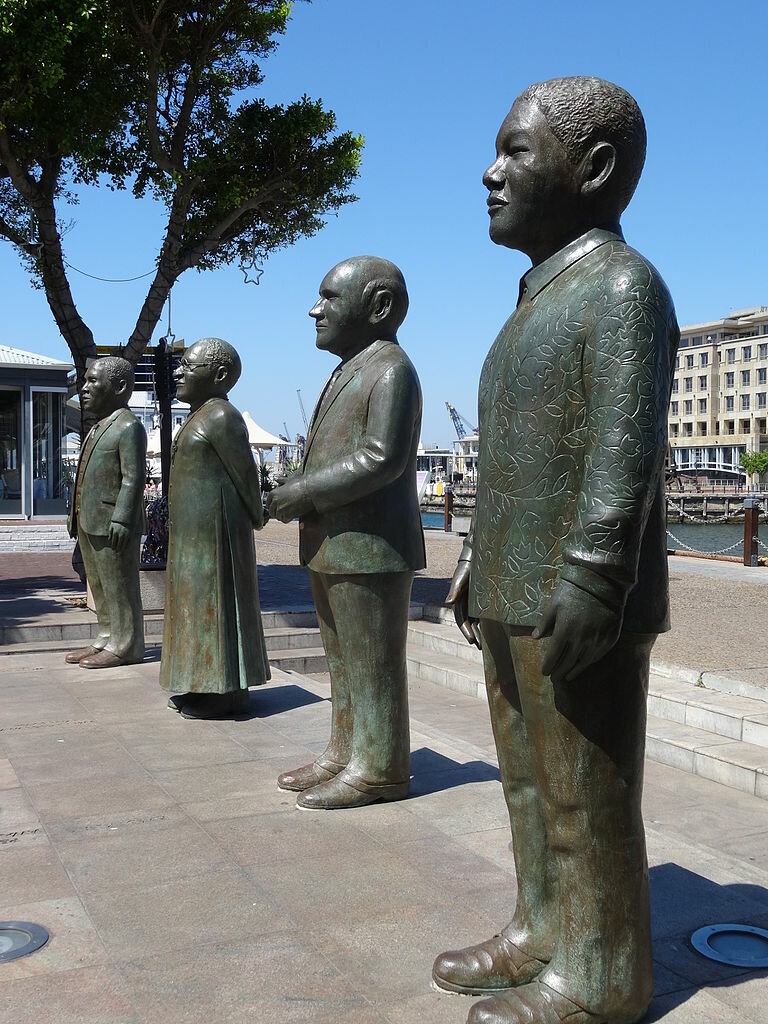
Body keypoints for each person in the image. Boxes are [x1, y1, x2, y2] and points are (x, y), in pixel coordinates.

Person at [432, 78, 679, 1024]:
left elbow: (626, 448)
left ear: (595, 170)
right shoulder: (536, 300)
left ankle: (605, 975)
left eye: (517, 151)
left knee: (585, 796)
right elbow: (515, 462)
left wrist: (593, 572)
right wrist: (472, 563)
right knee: (529, 788)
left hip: (576, 600)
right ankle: (544, 927)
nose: (491, 173)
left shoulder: (621, 288)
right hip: (510, 588)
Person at [268, 256, 425, 809]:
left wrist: (303, 492)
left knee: (372, 663)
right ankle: (346, 749)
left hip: (372, 547)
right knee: (343, 660)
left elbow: (382, 457)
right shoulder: (353, 367)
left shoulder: (392, 370)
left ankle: (380, 766)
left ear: (377, 306)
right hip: (336, 543)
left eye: (330, 297)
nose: (316, 309)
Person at [160, 338, 270, 718]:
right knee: (195, 607)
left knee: (217, 605)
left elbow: (245, 475)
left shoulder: (222, 416)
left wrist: (257, 514)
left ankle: (227, 690)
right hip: (193, 534)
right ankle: (202, 682)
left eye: (188, 367)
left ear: (219, 375)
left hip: (216, 534)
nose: (178, 372)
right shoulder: (199, 414)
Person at [65, 356, 146, 669]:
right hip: (91, 520)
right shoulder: (100, 425)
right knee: (99, 584)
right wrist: (74, 515)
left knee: (120, 586)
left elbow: (134, 476)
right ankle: (106, 635)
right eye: (84, 382)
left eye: (92, 382)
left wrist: (123, 517)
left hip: (114, 523)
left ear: (120, 387)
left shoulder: (128, 427)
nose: (84, 388)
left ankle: (127, 644)